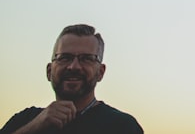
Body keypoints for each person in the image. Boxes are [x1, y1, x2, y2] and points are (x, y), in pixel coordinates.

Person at [1, 24, 143, 134]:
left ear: (101, 72)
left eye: (86, 59)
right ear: (49, 71)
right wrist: (34, 127)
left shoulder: (122, 126)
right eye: (64, 58)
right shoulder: (25, 120)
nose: (74, 66)